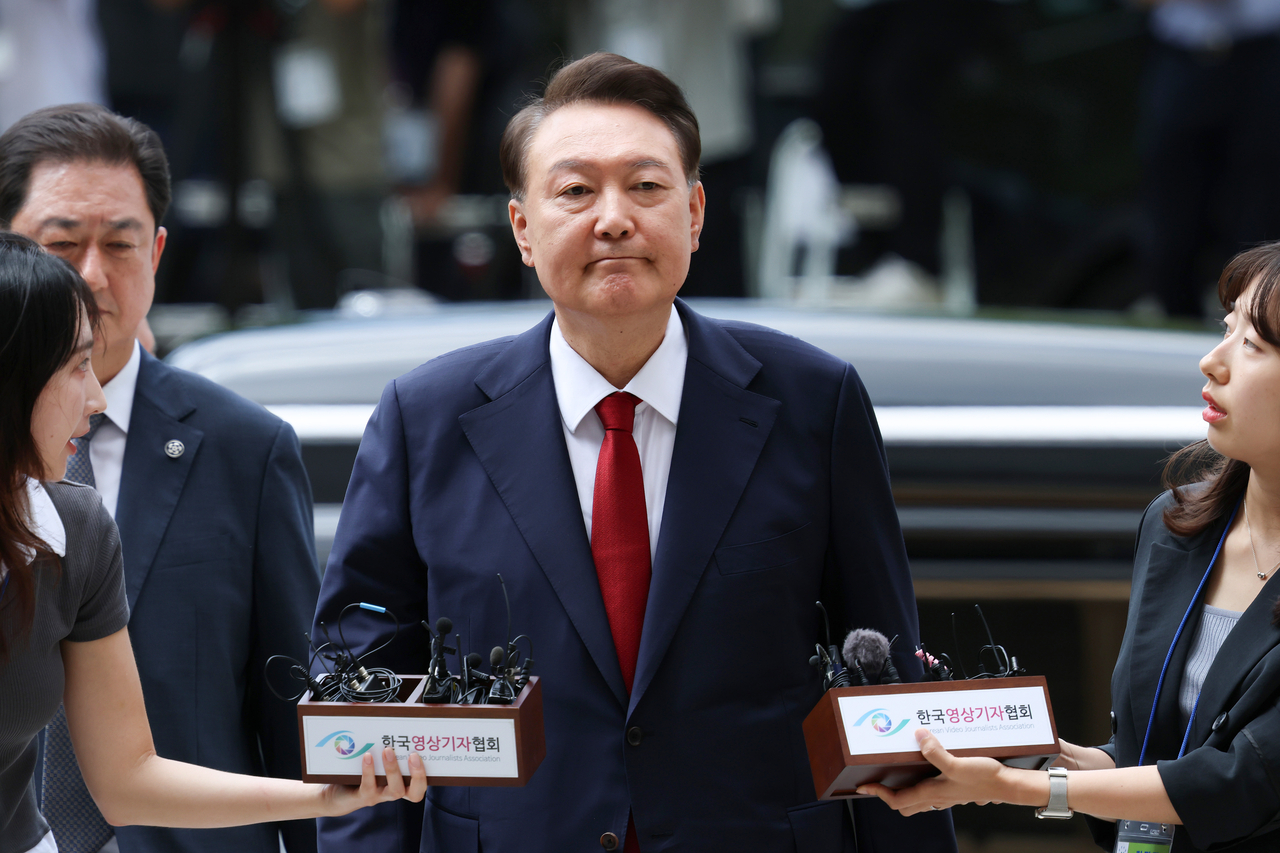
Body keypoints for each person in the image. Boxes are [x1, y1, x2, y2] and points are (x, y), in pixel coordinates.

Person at [313, 52, 957, 853]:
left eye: (646, 188)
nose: (613, 218)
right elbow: (363, 680)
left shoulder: (812, 402)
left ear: (694, 213)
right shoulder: (427, 417)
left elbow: (885, 676)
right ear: (522, 228)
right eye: (576, 191)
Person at [0, 231, 429, 853]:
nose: (96, 399)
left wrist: (326, 795)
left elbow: (130, 777)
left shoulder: (78, 528)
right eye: (74, 367)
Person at [858, 240, 1280, 852]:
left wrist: (1018, 788)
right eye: (1226, 328)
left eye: (1252, 345)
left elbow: (1239, 781)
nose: (1212, 362)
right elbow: (1151, 759)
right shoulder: (1175, 526)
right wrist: (1021, 760)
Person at [0, 103, 323, 853]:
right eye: (60, 244)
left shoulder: (249, 448)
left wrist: (327, 806)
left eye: (121, 243)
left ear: (159, 250)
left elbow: (291, 702)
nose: (91, 275)